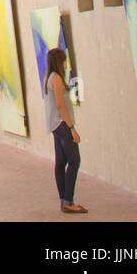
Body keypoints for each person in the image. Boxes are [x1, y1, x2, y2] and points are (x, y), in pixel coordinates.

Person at [44, 48, 87, 214]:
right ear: (59, 61)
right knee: (74, 161)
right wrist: (72, 129)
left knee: (61, 162)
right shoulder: (56, 79)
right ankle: (68, 200)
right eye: (64, 60)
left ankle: (64, 200)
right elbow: (61, 106)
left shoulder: (48, 77)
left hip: (54, 125)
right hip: (62, 124)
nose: (66, 63)